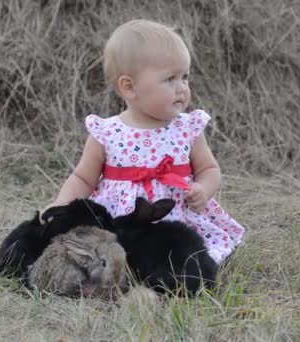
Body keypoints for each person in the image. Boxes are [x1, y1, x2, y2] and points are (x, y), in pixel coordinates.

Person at [42, 19, 244, 263]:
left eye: (185, 77)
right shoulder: (107, 132)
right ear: (129, 87)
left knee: (186, 259)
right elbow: (83, 178)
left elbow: (209, 169)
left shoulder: (187, 128)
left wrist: (204, 189)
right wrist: (62, 205)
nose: (182, 87)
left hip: (176, 219)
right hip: (122, 223)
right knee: (104, 258)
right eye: (170, 79)